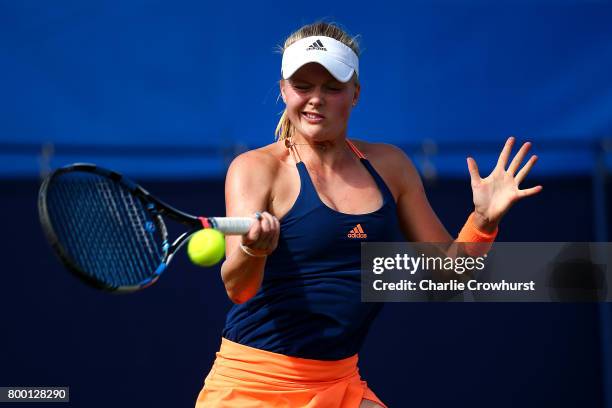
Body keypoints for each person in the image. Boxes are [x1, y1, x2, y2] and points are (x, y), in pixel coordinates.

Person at [195, 21, 542, 408]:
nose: (315, 99)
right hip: (253, 385)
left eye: (332, 87)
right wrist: (255, 250)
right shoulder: (255, 169)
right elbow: (238, 289)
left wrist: (483, 221)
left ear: (355, 93)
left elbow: (448, 280)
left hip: (339, 382)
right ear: (283, 90)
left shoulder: (390, 165)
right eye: (303, 86)